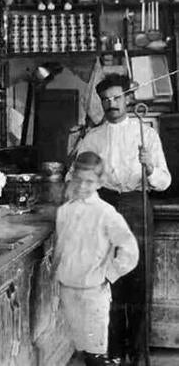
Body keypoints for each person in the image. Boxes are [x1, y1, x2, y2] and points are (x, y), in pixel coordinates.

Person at [73, 73, 171, 362]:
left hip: (137, 205)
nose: (111, 103)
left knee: (139, 282)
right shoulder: (92, 138)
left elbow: (165, 181)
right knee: (107, 282)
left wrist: (150, 168)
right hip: (104, 208)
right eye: (105, 100)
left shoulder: (147, 134)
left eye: (116, 97)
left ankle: (138, 353)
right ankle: (112, 350)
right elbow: (75, 176)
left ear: (128, 98)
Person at [55, 151, 139, 366]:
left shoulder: (106, 213)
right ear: (72, 177)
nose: (83, 186)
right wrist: (57, 273)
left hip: (93, 291)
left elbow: (130, 250)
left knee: (95, 353)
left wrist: (108, 274)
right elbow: (61, 247)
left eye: (89, 181)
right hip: (67, 287)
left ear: (100, 182)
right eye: (79, 180)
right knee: (80, 347)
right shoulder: (64, 211)